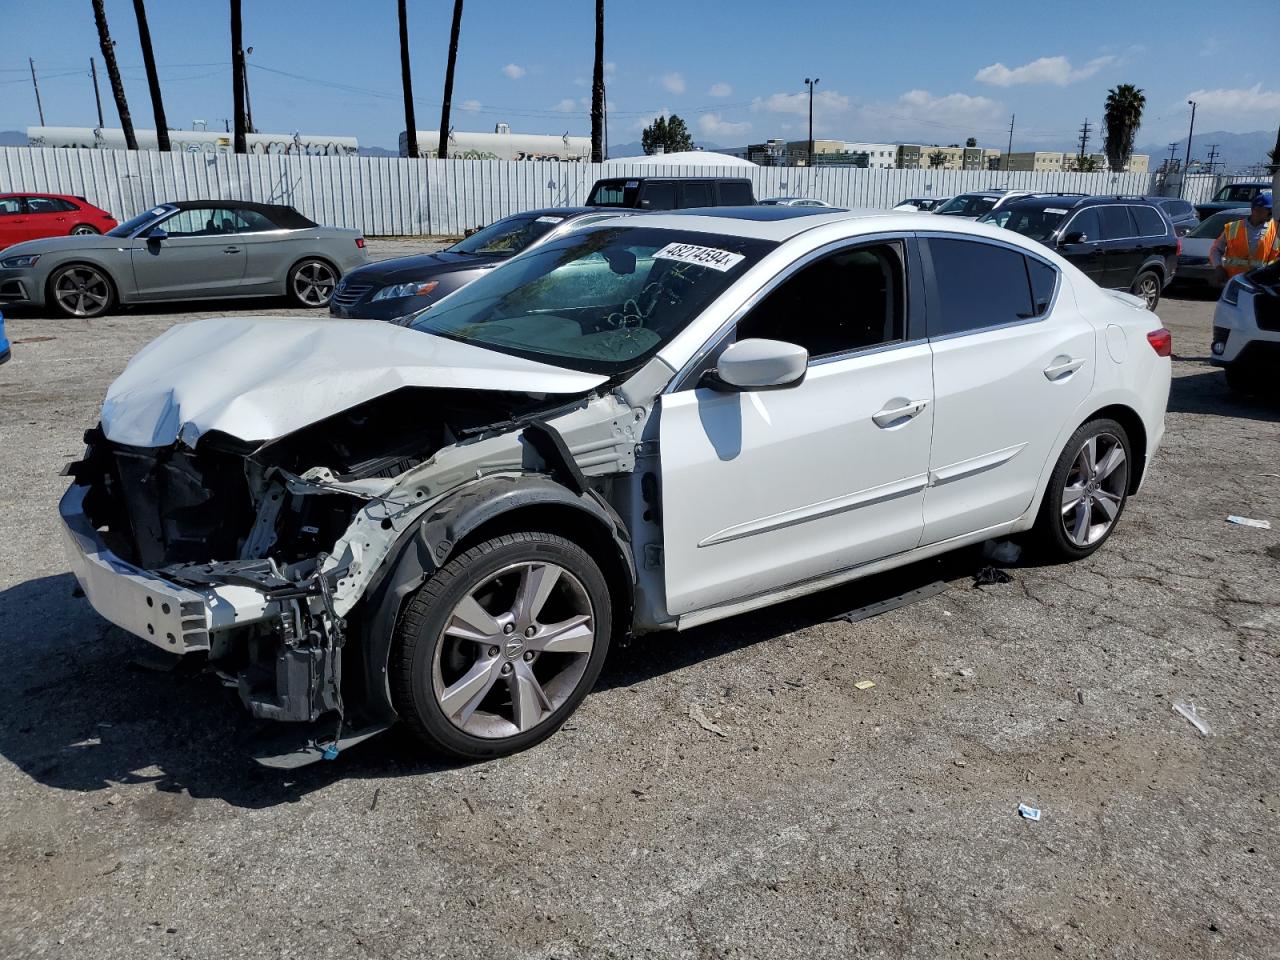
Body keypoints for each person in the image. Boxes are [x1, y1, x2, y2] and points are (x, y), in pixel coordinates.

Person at [1211, 191, 1279, 282]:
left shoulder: (1276, 229)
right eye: (1269, 211)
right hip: (1235, 281)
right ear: (1256, 210)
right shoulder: (1233, 228)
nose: (1272, 214)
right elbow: (1216, 250)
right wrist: (1218, 267)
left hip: (1263, 282)